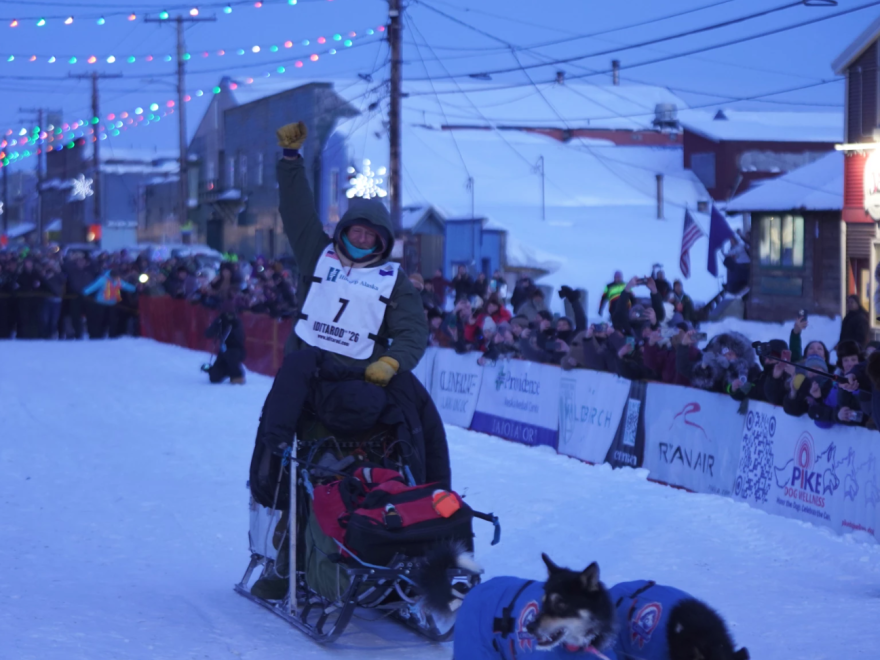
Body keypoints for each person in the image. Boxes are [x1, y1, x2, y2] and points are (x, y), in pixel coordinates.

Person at [253, 120, 448, 488]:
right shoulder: (318, 253)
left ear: (382, 241)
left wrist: (392, 361)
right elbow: (296, 211)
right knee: (279, 405)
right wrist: (291, 159)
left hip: (365, 375)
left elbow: (412, 330)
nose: (361, 238)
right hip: (311, 370)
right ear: (343, 230)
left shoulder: (394, 281)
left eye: (370, 235)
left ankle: (431, 494)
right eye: (356, 231)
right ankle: (270, 477)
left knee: (420, 414)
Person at [82, 268, 137, 339]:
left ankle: (112, 335)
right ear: (112, 276)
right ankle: (97, 335)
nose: (117, 278)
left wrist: (135, 288)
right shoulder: (102, 280)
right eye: (115, 277)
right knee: (100, 321)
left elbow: (126, 286)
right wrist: (85, 292)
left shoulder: (118, 280)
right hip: (101, 304)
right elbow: (93, 286)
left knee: (112, 321)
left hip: (112, 304)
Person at [203, 304, 246, 384]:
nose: (228, 317)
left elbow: (239, 338)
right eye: (226, 314)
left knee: (231, 356)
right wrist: (216, 325)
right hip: (223, 351)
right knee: (214, 378)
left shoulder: (237, 322)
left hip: (236, 350)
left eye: (230, 314)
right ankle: (224, 371)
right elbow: (208, 334)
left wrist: (232, 326)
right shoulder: (220, 321)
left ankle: (237, 374)